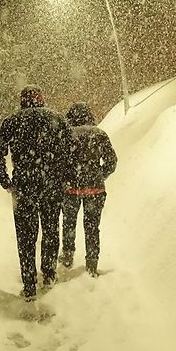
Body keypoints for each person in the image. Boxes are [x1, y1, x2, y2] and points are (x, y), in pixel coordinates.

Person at [0, 85, 70, 300]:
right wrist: (65, 178)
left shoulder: (12, 121)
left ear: (22, 100)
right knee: (51, 230)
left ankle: (29, 285)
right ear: (41, 99)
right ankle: (49, 274)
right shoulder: (56, 118)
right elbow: (69, 150)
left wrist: (6, 182)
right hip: (51, 185)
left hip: (24, 187)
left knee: (25, 237)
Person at [60, 102, 117, 277]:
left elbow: (58, 162)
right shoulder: (99, 134)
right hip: (95, 189)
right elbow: (111, 161)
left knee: (69, 224)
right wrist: (100, 176)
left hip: (71, 189)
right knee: (92, 227)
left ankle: (68, 256)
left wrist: (65, 179)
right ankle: (92, 263)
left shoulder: (66, 135)